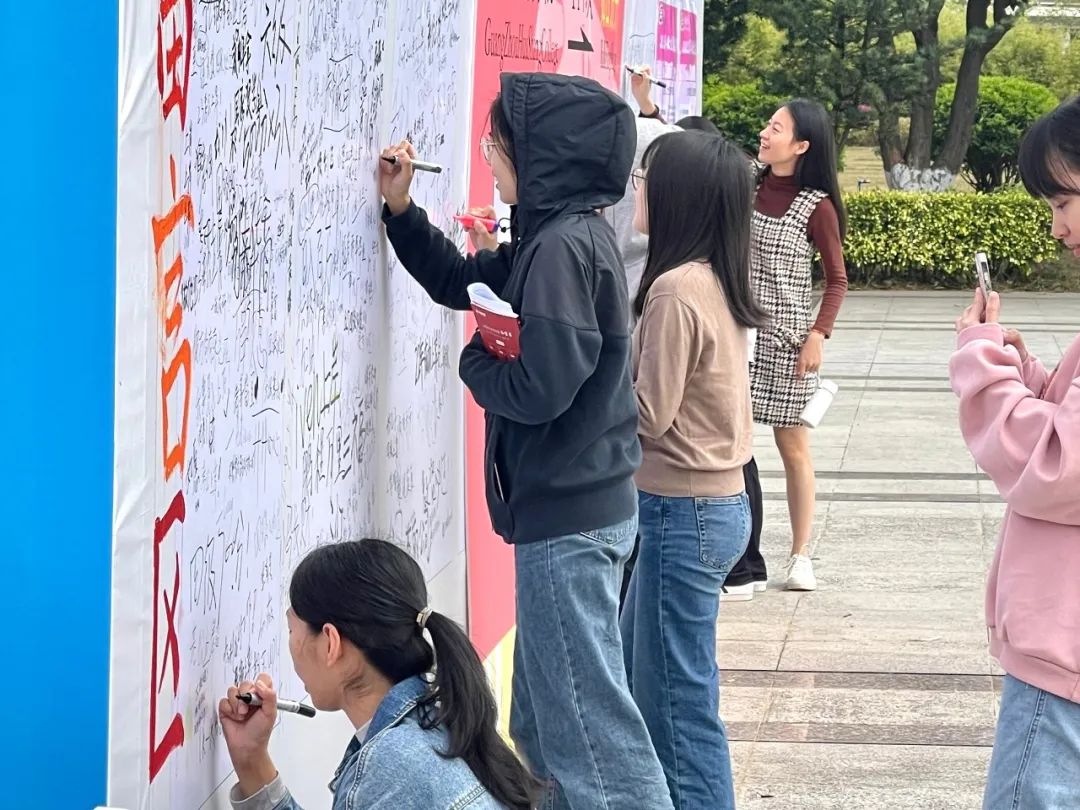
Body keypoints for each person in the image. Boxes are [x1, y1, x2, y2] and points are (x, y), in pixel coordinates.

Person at [379, 72, 674, 810]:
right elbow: (461, 279)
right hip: (570, 509)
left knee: (592, 738)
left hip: (570, 519)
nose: (489, 156)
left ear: (545, 157)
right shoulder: (552, 235)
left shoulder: (562, 249)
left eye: (499, 144)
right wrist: (402, 211)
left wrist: (474, 362)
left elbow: (542, 387)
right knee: (543, 728)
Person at [621, 130, 769, 809]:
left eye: (645, 180)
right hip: (706, 507)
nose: (637, 191)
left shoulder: (676, 288)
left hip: (683, 512)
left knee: (677, 707)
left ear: (676, 197)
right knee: (660, 686)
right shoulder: (709, 276)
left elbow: (648, 414)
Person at [950, 96, 1080, 810]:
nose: (1058, 227)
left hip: (1064, 652)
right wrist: (1028, 375)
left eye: (1064, 201)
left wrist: (983, 366)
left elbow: (1058, 466)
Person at [218, 539, 539, 809]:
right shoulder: (436, 720)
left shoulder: (389, 767)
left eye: (291, 630)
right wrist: (251, 760)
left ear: (330, 643)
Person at [742, 99, 848, 594]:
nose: (765, 133)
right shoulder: (745, 183)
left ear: (801, 145)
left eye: (776, 128)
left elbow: (837, 280)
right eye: (768, 124)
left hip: (787, 344)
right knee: (733, 443)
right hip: (737, 335)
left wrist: (817, 334)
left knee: (792, 447)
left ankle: (801, 554)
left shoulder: (816, 206)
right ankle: (738, 554)